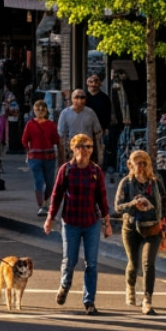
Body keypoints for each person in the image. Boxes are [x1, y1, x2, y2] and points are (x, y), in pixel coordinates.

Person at [45, 132, 112, 315]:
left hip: (91, 221)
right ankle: (64, 286)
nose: (84, 150)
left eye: (88, 146)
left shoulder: (96, 172)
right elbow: (57, 195)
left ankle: (89, 301)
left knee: (91, 263)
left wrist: (107, 221)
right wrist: (50, 217)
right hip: (71, 221)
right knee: (70, 260)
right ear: (73, 149)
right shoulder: (66, 170)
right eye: (80, 146)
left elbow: (102, 197)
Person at [115, 149, 166, 314]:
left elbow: (163, 203)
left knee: (148, 264)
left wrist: (158, 215)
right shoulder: (126, 183)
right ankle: (130, 285)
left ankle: (147, 299)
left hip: (151, 227)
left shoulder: (156, 183)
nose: (141, 167)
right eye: (138, 164)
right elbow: (117, 207)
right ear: (131, 165)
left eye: (144, 163)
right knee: (134, 263)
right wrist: (133, 204)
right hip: (131, 227)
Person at [22, 99, 63, 216]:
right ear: (34, 110)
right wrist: (29, 151)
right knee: (39, 180)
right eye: (37, 109)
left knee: (49, 182)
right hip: (35, 157)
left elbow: (57, 141)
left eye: (42, 109)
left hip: (49, 157)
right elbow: (24, 139)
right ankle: (42, 206)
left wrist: (61, 157)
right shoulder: (30, 124)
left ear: (46, 110)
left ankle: (47, 203)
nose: (40, 111)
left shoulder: (51, 125)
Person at [57, 90, 104, 166]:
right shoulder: (65, 113)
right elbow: (61, 135)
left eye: (82, 97)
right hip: (71, 150)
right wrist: (62, 157)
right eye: (76, 97)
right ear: (72, 99)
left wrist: (98, 156)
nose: (79, 100)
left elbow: (97, 133)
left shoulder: (90, 113)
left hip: (87, 149)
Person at [83, 74, 114, 170]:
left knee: (99, 151)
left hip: (100, 129)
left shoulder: (104, 98)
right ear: (87, 83)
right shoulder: (83, 97)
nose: (93, 84)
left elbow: (108, 114)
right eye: (91, 81)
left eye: (96, 81)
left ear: (100, 83)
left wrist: (106, 128)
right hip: (85, 129)